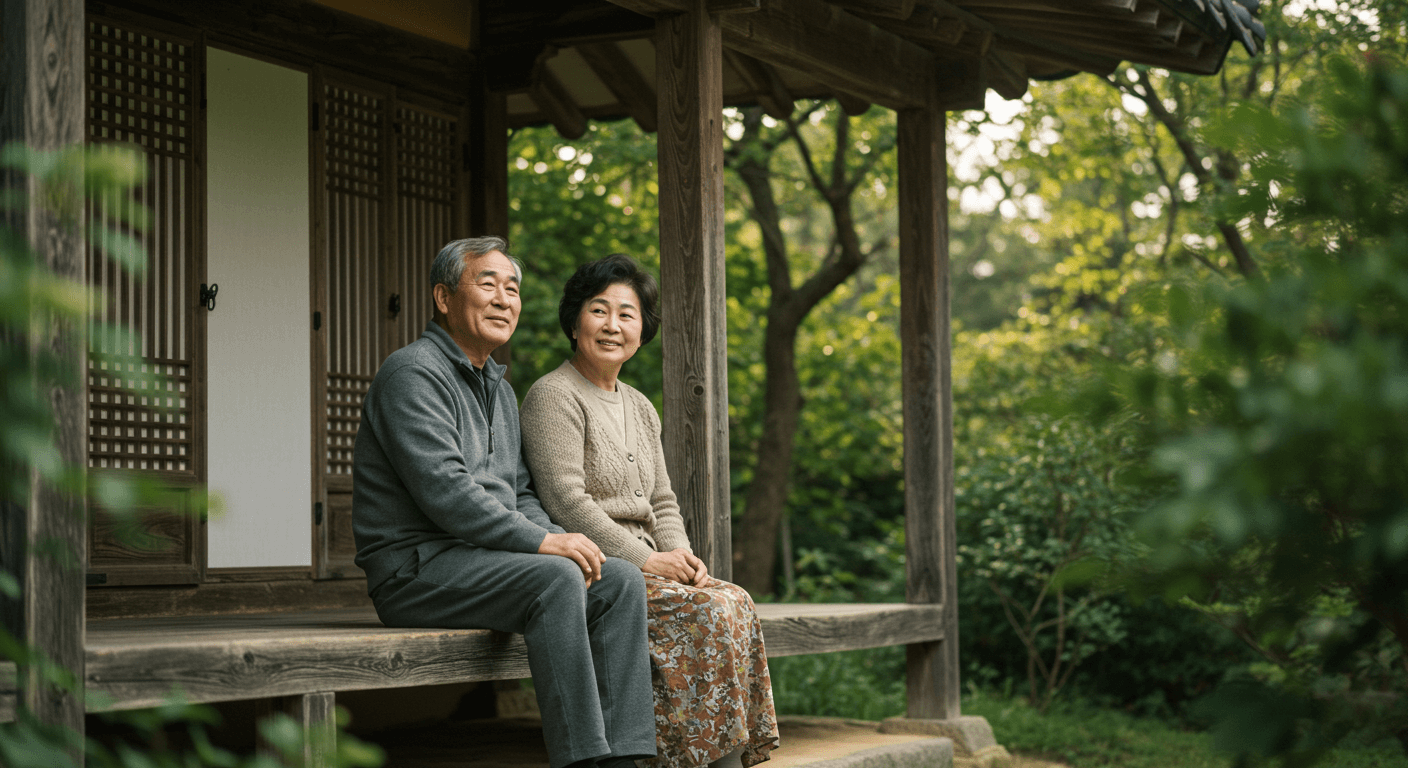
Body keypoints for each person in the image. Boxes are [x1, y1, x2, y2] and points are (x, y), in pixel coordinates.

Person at [352, 237, 656, 768]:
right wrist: (543, 542)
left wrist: (561, 540)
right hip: (416, 567)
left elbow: (518, 493)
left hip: (482, 559)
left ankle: (626, 757)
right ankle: (584, 760)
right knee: (558, 577)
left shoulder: (497, 385)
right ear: (443, 298)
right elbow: (447, 492)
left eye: (511, 288)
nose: (503, 298)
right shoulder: (413, 373)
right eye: (486, 284)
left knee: (618, 578)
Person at [520, 254, 779, 768]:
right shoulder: (553, 396)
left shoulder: (639, 404)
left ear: (643, 330)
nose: (612, 326)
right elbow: (567, 504)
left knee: (735, 600)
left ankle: (713, 756)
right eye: (599, 311)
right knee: (705, 612)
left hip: (650, 561)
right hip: (598, 566)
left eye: (627, 314)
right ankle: (697, 759)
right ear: (575, 323)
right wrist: (646, 561)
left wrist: (680, 555)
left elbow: (662, 500)